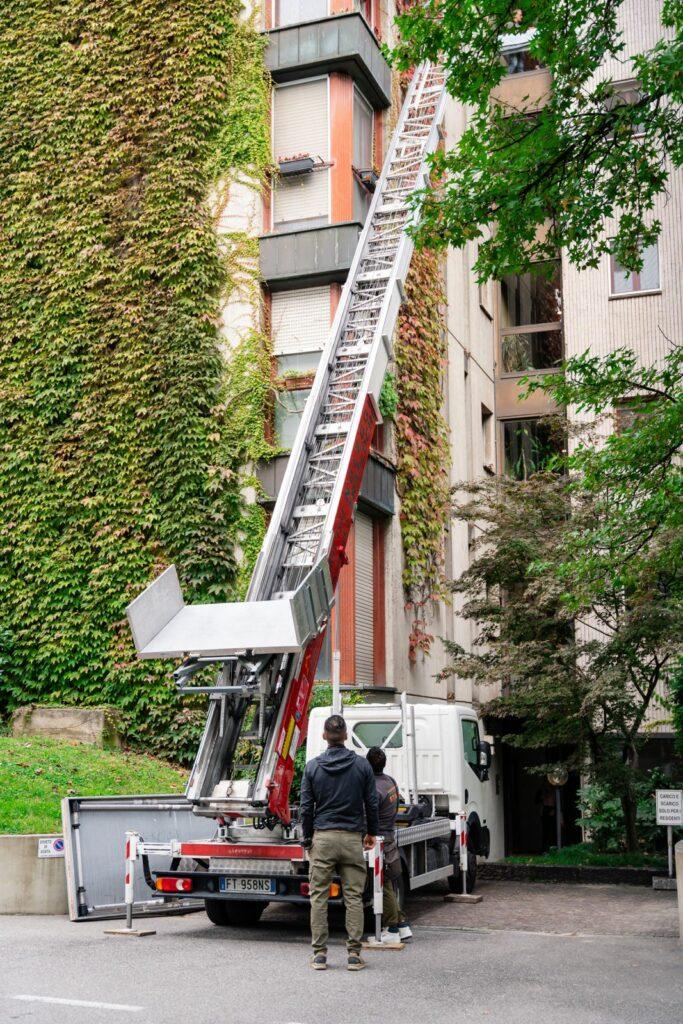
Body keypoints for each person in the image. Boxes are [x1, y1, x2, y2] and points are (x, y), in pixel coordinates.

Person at [300, 714, 379, 972]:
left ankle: (320, 954)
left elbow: (306, 808)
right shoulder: (362, 766)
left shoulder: (312, 767)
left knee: (319, 897)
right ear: (345, 736)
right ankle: (354, 955)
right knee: (354, 897)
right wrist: (372, 833)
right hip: (351, 838)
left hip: (323, 838)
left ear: (324, 736)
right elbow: (371, 803)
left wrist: (308, 837)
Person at [366, 746, 413, 943]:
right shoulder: (390, 782)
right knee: (387, 882)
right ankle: (401, 924)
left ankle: (393, 927)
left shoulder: (373, 789)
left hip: (379, 840)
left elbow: (368, 816)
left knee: (382, 883)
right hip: (389, 836)